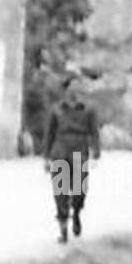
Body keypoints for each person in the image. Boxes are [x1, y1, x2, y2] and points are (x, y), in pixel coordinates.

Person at [44, 74, 101, 243]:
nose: (75, 91)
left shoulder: (88, 109)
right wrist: (46, 157)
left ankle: (76, 212)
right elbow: (49, 134)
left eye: (78, 87)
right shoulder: (57, 110)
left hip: (79, 151)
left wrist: (96, 153)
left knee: (79, 191)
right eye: (72, 87)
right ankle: (63, 227)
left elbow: (94, 132)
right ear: (66, 89)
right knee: (60, 192)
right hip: (61, 151)